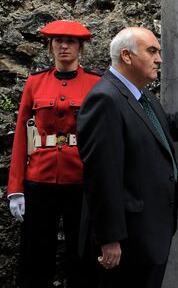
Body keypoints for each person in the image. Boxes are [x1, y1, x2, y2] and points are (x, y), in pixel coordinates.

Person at [76, 27, 178, 288]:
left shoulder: (143, 96)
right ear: (127, 56)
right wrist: (110, 239)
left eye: (159, 52)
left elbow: (170, 128)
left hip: (148, 235)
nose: (159, 59)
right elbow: (102, 176)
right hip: (126, 241)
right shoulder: (105, 99)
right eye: (152, 51)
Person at [6, 20, 102, 287]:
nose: (64, 46)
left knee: (82, 257)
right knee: (35, 257)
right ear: (50, 47)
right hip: (40, 179)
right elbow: (21, 138)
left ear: (80, 48)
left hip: (80, 180)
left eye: (70, 42)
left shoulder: (95, 82)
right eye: (58, 41)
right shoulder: (36, 82)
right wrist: (16, 188)